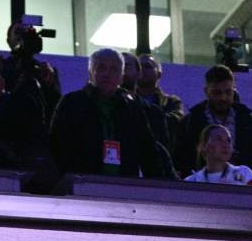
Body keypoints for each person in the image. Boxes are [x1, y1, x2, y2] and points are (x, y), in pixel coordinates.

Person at [48, 48, 174, 180]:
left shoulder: (132, 108)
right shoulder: (72, 103)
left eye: (114, 69)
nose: (107, 74)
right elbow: (56, 148)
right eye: (101, 68)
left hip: (125, 185)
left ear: (121, 76)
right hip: (82, 184)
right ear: (90, 73)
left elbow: (149, 154)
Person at [178, 64, 252, 183]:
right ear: (206, 91)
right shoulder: (190, 123)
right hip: (202, 187)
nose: (223, 98)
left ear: (234, 90)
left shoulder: (248, 121)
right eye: (217, 92)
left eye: (228, 92)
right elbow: (181, 161)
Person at [0, 19, 61, 122]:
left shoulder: (44, 70)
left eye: (26, 32)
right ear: (9, 41)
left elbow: (55, 105)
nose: (23, 36)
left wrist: (50, 85)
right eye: (18, 32)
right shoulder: (1, 68)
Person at [184, 123, 252, 185]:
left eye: (228, 140)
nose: (225, 145)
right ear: (204, 146)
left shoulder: (244, 173)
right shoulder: (191, 181)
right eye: (219, 139)